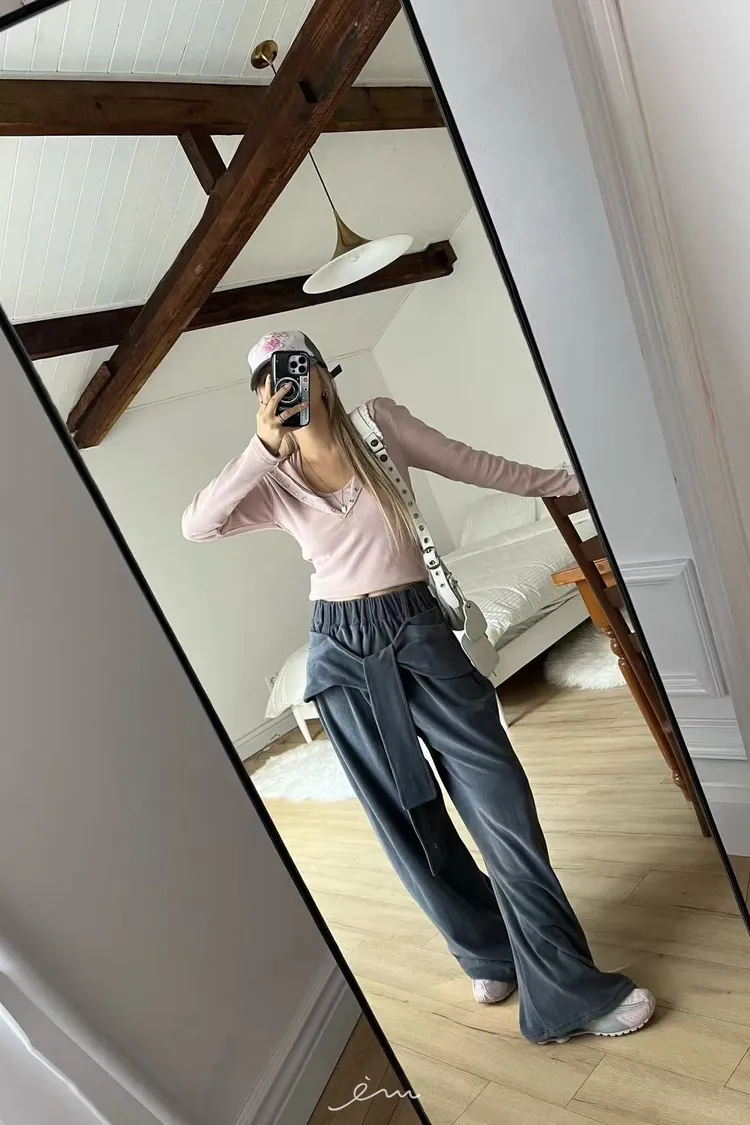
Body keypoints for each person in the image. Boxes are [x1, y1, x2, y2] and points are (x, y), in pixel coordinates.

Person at [182, 329, 655, 1045]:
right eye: (270, 381)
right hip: (340, 652)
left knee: (501, 804)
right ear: (261, 397)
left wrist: (572, 480)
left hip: (417, 631)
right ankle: (487, 950)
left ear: (323, 375)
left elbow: (476, 464)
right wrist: (261, 448)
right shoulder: (271, 480)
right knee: (408, 820)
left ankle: (565, 990)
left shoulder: (380, 425)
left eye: (296, 369)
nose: (288, 386)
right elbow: (198, 526)